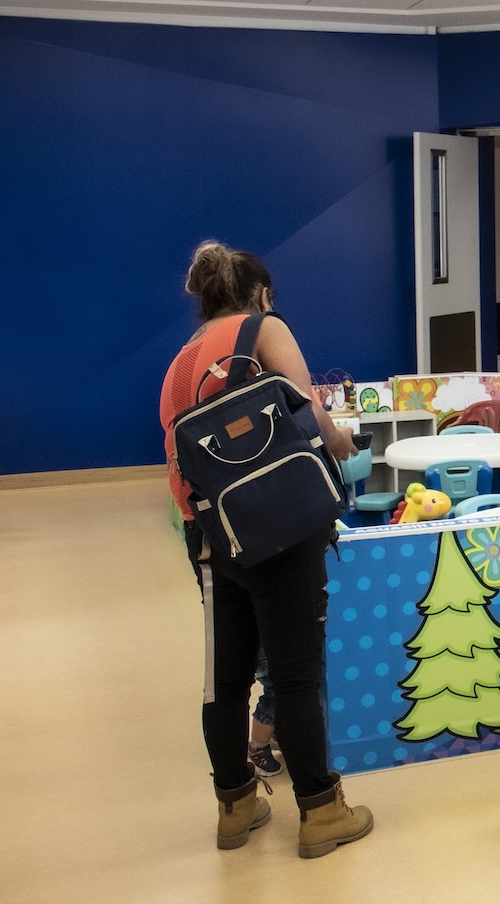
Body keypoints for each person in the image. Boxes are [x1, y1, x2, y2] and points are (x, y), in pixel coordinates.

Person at [160, 241, 371, 858]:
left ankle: (236, 807)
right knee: (295, 673)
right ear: (262, 294)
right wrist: (342, 442)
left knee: (225, 681)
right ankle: (321, 811)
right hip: (276, 525)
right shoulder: (264, 328)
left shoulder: (181, 361)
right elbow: (307, 414)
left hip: (209, 534)